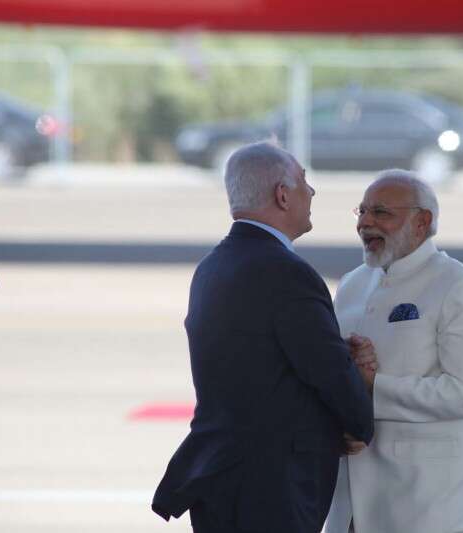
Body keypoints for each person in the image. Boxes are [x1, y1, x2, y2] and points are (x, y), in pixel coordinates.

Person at [152, 142, 375, 533]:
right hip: (270, 486)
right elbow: (326, 369)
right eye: (304, 181)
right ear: (282, 195)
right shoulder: (287, 272)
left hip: (222, 471)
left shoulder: (213, 265)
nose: (312, 192)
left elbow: (258, 363)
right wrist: (359, 424)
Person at [325, 170, 463, 533]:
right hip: (350, 505)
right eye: (362, 211)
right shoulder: (353, 284)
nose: (365, 223)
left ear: (422, 222)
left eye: (381, 212)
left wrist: (374, 385)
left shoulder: (460, 285)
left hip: (428, 507)